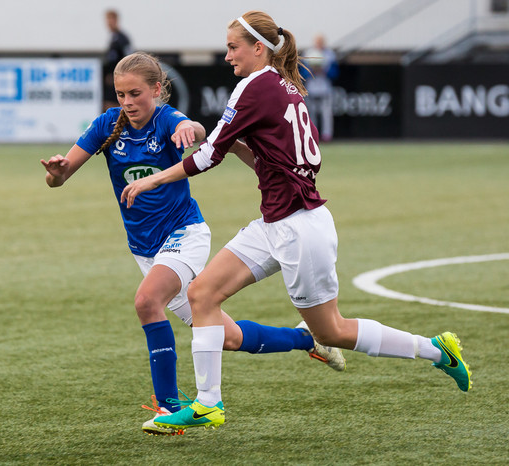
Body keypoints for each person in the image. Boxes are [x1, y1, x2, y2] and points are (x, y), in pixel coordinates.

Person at [120, 11, 472, 432]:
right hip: (277, 222)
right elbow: (265, 162)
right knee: (202, 294)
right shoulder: (283, 86)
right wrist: (229, 143)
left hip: (299, 229)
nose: (227, 55)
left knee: (333, 331)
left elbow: (208, 157)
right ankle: (208, 404)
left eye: (233, 47)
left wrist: (156, 177)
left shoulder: (254, 86)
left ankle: (435, 350)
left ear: (258, 48)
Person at [40, 51, 346, 436]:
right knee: (228, 337)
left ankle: (168, 408)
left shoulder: (167, 119)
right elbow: (59, 178)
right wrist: (56, 173)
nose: (128, 102)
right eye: (120, 94)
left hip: (184, 235)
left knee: (146, 301)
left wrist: (191, 128)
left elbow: (197, 130)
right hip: (146, 250)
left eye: (135, 93)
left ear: (156, 89)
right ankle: (307, 339)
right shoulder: (106, 125)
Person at [303, 34, 337, 142]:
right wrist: (313, 70)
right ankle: (313, 135)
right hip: (311, 88)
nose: (319, 44)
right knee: (311, 113)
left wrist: (324, 70)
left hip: (325, 88)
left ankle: (327, 135)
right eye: (318, 41)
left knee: (326, 113)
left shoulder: (330, 54)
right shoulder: (308, 53)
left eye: (321, 41)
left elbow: (335, 73)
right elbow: (303, 73)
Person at [103, 9, 133, 111]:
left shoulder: (122, 38)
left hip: (119, 76)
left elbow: (128, 58)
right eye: (107, 20)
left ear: (116, 20)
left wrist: (121, 75)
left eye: (110, 20)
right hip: (113, 76)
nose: (108, 23)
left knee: (114, 104)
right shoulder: (113, 37)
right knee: (108, 104)